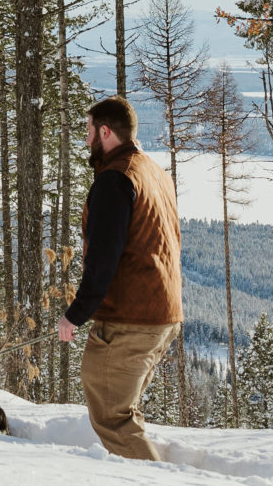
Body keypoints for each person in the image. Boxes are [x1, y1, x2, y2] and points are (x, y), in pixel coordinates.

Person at [55, 93, 182, 460]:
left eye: (89, 131)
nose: (86, 140)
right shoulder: (153, 172)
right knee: (121, 409)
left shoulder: (115, 180)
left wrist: (76, 313)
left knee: (113, 416)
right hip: (162, 312)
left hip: (132, 318)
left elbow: (104, 258)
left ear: (106, 132)